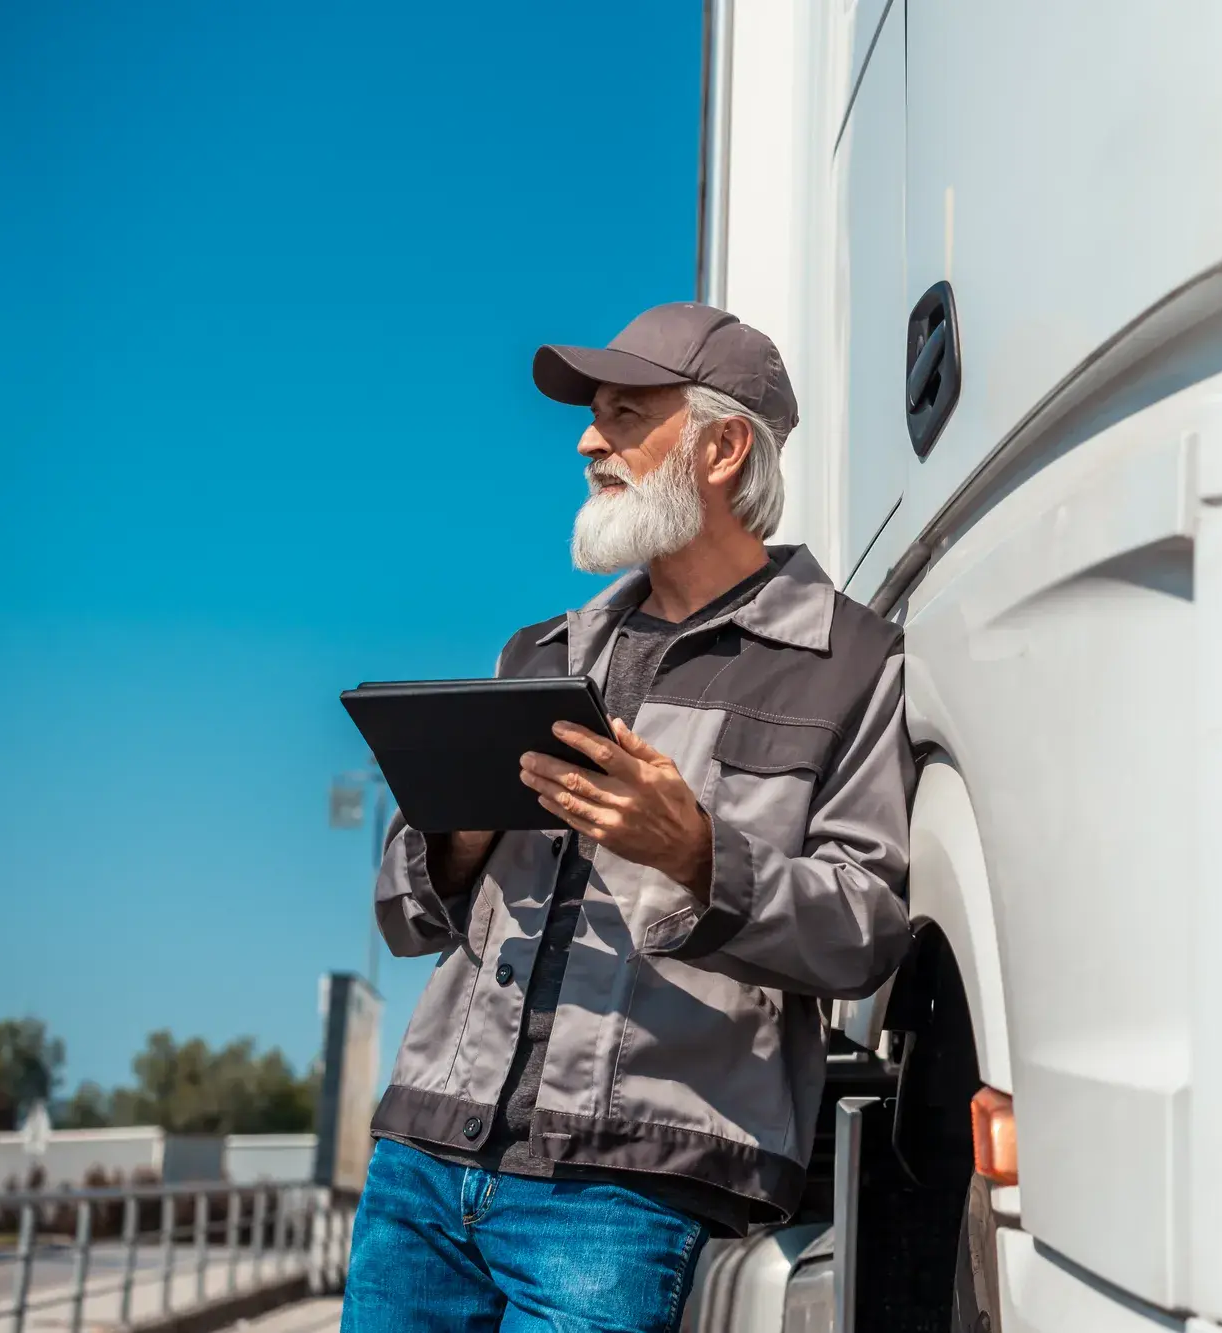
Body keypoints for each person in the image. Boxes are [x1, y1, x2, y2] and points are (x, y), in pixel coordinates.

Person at [340, 302, 915, 1332]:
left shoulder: (851, 667)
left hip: (628, 1193)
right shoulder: (538, 656)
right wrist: (456, 837)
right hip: (423, 1171)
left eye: (621, 413)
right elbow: (401, 911)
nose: (586, 440)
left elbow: (865, 931)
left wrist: (697, 855)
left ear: (721, 444)